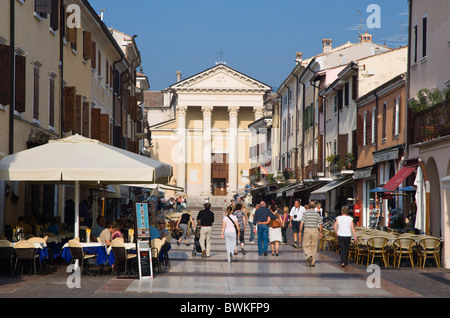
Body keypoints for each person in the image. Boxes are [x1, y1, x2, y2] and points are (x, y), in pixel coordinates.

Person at [299, 201, 323, 267]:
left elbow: (301, 223)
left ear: (308, 206)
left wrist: (300, 231)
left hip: (307, 230)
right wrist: (320, 232)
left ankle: (309, 255)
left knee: (305, 245)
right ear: (315, 206)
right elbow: (320, 224)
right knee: (314, 246)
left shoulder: (305, 213)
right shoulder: (317, 214)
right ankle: (312, 262)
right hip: (315, 230)